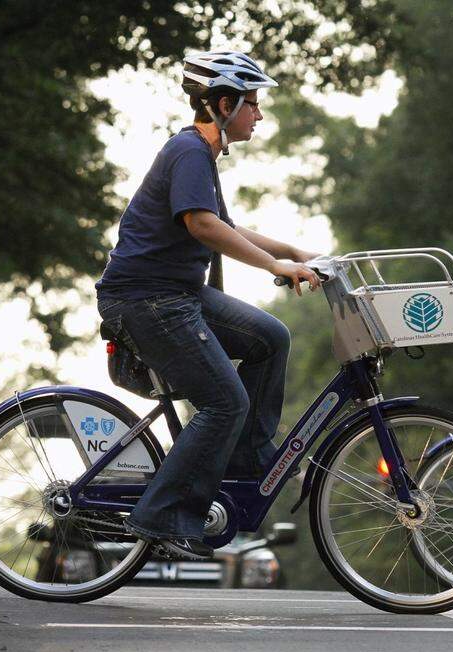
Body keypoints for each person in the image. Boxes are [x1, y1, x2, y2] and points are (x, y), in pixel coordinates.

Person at [94, 50, 322, 559]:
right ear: (224, 103)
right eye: (253, 104)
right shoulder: (189, 151)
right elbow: (201, 225)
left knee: (271, 337)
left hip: (176, 294)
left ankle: (242, 459)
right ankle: (163, 517)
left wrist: (292, 252)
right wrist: (274, 268)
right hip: (147, 298)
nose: (259, 114)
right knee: (225, 401)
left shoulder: (201, 155)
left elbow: (224, 226)